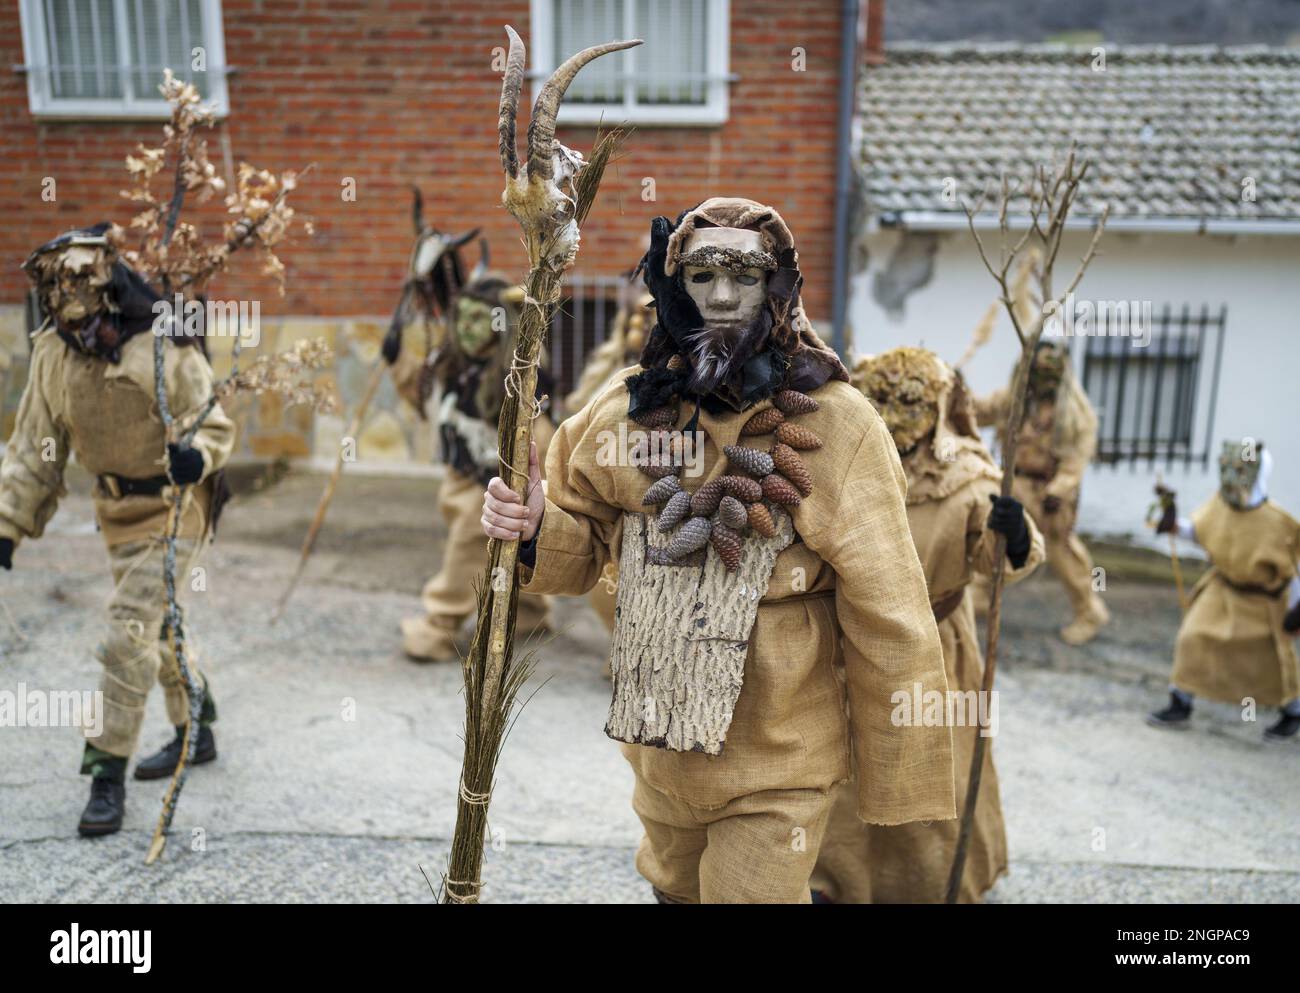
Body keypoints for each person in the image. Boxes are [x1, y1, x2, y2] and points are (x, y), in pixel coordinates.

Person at [481, 198, 956, 903]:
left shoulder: (840, 428)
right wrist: (532, 524)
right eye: (704, 275)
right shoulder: (621, 411)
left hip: (779, 760)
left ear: (780, 287)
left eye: (747, 274)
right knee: (672, 889)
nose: (726, 296)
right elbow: (580, 550)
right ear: (675, 286)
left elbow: (890, 607)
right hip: (659, 751)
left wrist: (897, 763)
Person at [0, 224, 235, 836]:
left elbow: (210, 420)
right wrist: (7, 524)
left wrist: (197, 455)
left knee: (128, 630)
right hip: (115, 512)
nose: (66, 297)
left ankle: (106, 773)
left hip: (176, 505)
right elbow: (34, 448)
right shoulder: (53, 352)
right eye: (55, 286)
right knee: (158, 628)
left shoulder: (160, 342)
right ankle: (198, 728)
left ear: (105, 284)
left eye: (78, 281)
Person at [811, 347, 1043, 903]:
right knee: (846, 767)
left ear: (935, 405)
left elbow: (995, 555)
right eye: (879, 398)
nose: (891, 412)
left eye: (907, 400)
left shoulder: (966, 479)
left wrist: (1011, 535)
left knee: (928, 769)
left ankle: (931, 883)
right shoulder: (838, 461)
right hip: (851, 641)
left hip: (935, 649)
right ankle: (834, 881)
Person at [389, 211, 553, 662]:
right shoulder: (454, 363)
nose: (468, 328)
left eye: (481, 320)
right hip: (460, 473)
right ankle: (529, 610)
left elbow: (537, 433)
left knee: (470, 532)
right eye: (463, 318)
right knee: (469, 523)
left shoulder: (516, 378)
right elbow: (422, 396)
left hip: (497, 478)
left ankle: (437, 625)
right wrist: (397, 358)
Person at [1148, 442, 1300, 741]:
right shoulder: (1221, 505)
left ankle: (1293, 710)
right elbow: (1200, 531)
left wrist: (1298, 608)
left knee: (1273, 657)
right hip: (1223, 589)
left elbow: (1295, 569)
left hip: (1265, 600)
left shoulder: (1281, 523)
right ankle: (1181, 701)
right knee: (1193, 637)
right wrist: (1171, 520)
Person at [975, 340, 1108, 645]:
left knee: (1063, 554)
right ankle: (980, 598)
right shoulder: (1016, 400)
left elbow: (1075, 459)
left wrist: (1059, 490)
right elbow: (980, 411)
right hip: (1013, 486)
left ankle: (1089, 610)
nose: (1043, 380)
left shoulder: (1074, 413)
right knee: (994, 540)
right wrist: (957, 392)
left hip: (1048, 494)